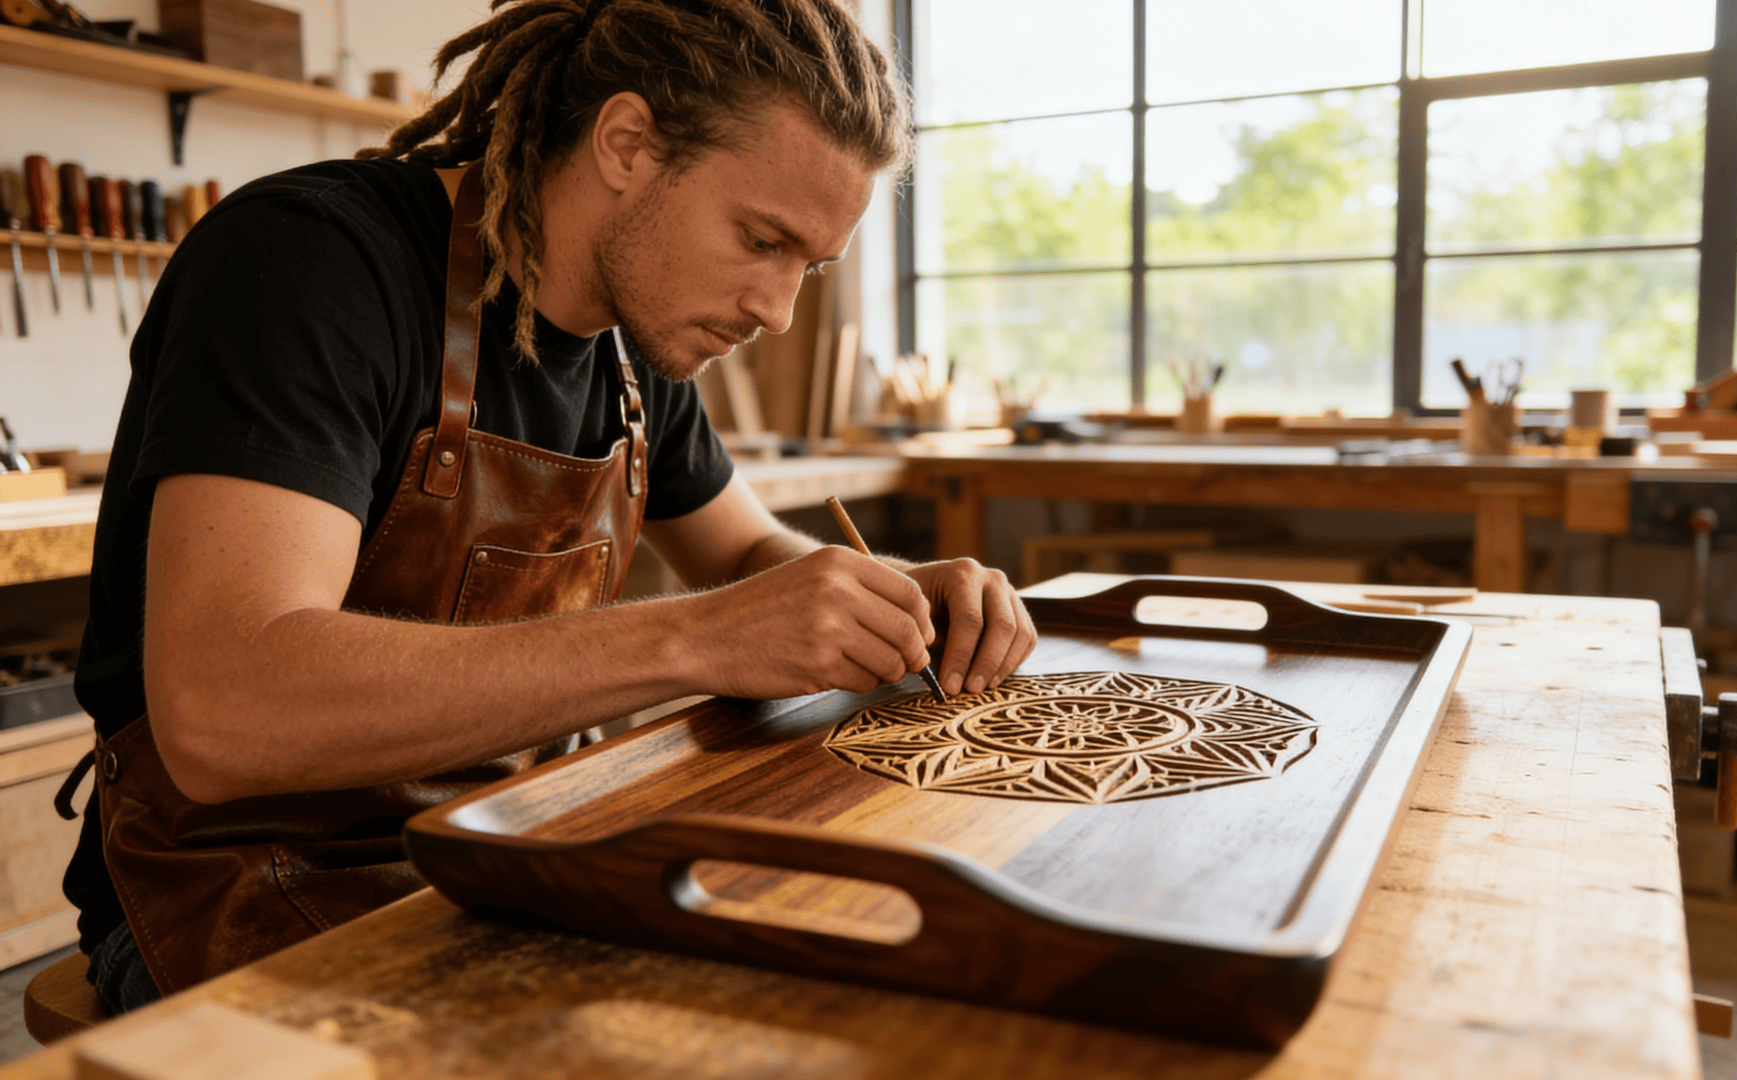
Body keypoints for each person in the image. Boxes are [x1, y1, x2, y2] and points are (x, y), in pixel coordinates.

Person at [59, 0, 1036, 1015]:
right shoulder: (313, 264)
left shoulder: (634, 340)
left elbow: (745, 550)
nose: (777, 311)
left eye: (810, 267)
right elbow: (226, 714)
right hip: (240, 881)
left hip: (505, 838)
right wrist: (694, 639)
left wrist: (882, 596)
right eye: (759, 239)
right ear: (627, 143)